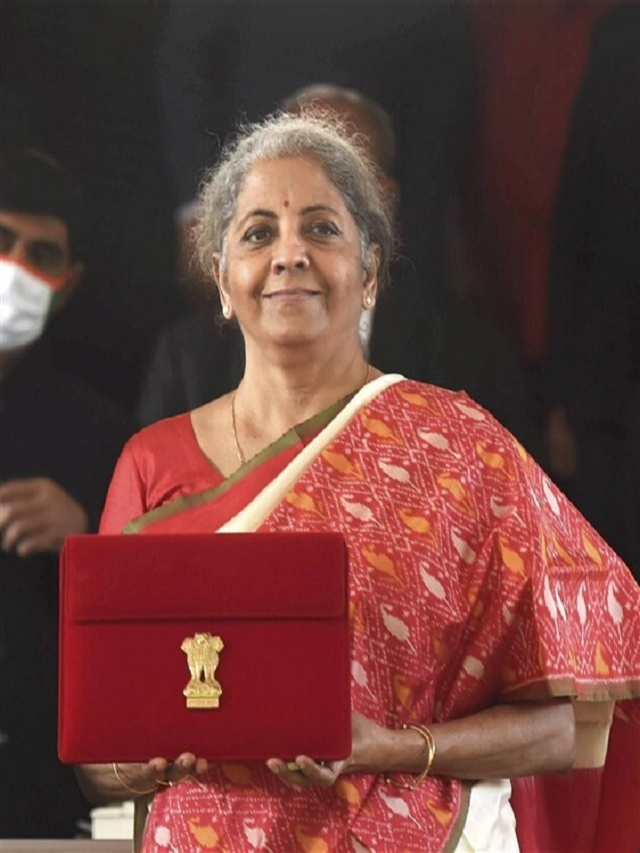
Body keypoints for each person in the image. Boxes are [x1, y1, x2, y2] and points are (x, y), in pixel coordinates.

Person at [77, 114, 639, 851]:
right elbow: (99, 755)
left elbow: (566, 728)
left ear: (369, 273)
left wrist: (389, 747)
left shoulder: (463, 449)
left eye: (321, 229)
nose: (289, 255)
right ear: (221, 279)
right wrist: (136, 763)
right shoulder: (151, 463)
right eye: (258, 234)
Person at [137, 85, 544, 463]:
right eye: (263, 230)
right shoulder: (187, 366)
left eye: (323, 220)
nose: (290, 256)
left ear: (384, 204)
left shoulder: (474, 368)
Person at [0, 149, 130, 837]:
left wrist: (86, 539)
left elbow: (147, 611)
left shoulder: (103, 435)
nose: (16, 267)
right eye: (2, 240)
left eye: (41, 254)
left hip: (37, 792)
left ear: (68, 282)